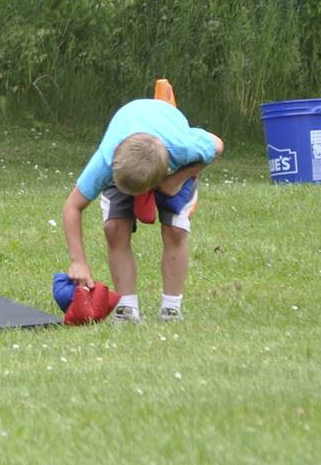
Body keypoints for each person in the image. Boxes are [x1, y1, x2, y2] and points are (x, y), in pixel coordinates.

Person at [60, 96, 224, 323]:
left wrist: (178, 178)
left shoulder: (183, 147)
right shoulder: (107, 161)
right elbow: (72, 207)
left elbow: (217, 145)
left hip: (173, 168)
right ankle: (126, 308)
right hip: (129, 158)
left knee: (175, 230)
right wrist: (78, 261)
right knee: (114, 229)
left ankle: (171, 308)